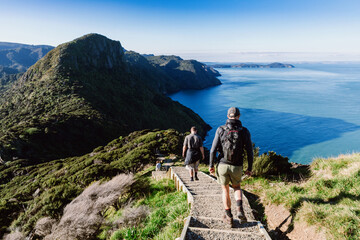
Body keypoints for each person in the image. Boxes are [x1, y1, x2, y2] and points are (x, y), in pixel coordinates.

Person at [209, 107, 253, 227]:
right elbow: (250, 151)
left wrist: (211, 165)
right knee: (237, 187)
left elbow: (212, 150)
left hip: (222, 165)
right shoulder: (244, 131)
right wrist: (249, 168)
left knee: (225, 190)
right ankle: (239, 210)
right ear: (239, 116)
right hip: (237, 166)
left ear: (228, 116)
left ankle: (229, 217)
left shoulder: (220, 129)